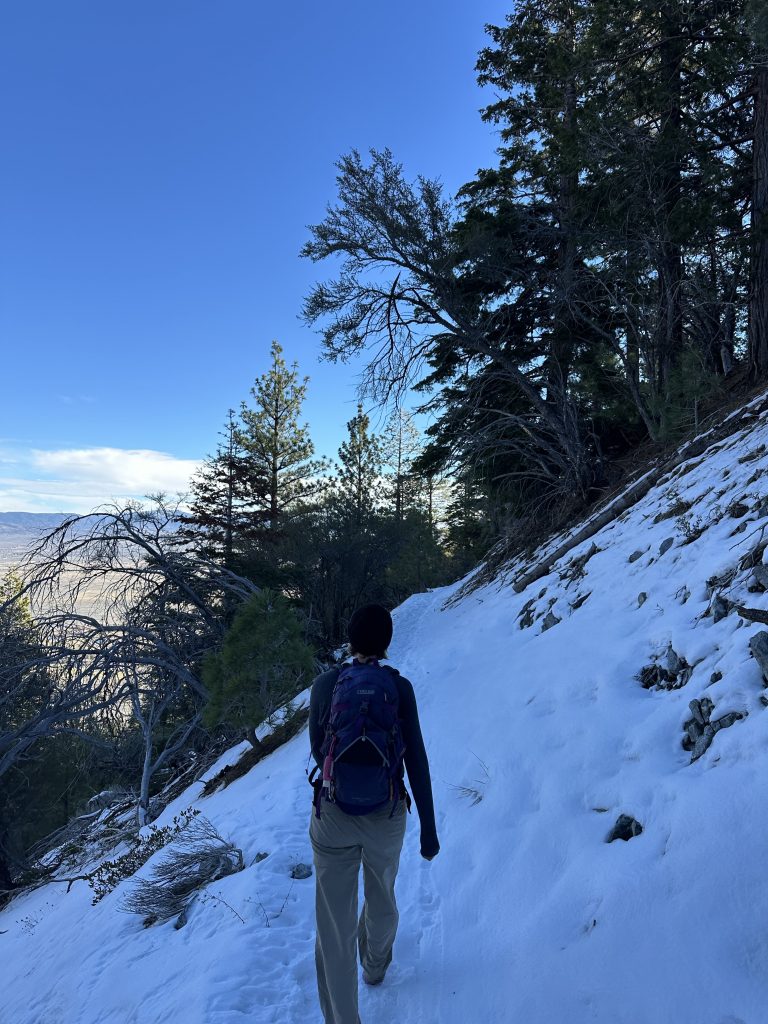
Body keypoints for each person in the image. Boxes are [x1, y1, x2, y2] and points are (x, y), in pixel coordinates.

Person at [308, 603, 439, 1024]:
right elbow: (416, 758)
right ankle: (376, 966)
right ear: (386, 643)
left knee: (333, 926)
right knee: (382, 898)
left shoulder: (327, 684)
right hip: (386, 816)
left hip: (333, 817)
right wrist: (429, 831)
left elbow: (318, 750)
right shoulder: (398, 688)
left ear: (349, 639)